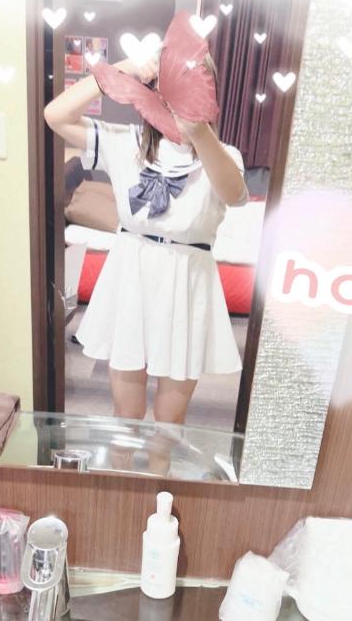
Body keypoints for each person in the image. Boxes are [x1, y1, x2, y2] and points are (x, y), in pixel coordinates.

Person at [44, 55, 248, 424]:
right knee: (127, 414)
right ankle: (123, 464)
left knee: (170, 419)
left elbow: (234, 195)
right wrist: (125, 69)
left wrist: (199, 131)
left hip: (187, 286)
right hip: (131, 279)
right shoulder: (125, 141)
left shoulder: (223, 155)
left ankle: (159, 464)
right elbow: (56, 115)